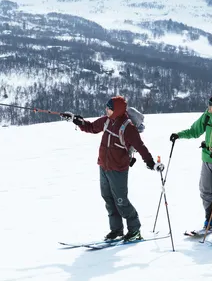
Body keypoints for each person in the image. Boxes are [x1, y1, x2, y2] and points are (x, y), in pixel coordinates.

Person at [64, 96, 161, 242]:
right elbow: (91, 127)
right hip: (103, 166)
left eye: (109, 108)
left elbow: (141, 147)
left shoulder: (128, 128)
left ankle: (134, 230)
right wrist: (77, 121)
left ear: (117, 110)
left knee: (121, 201)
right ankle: (116, 230)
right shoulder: (107, 121)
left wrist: (151, 163)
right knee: (108, 199)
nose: (106, 110)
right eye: (107, 107)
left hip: (118, 169)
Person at [170, 93, 212, 230]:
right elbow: (194, 131)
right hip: (206, 157)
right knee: (204, 189)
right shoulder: (207, 116)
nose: (208, 106)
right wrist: (179, 135)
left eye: (210, 103)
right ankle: (209, 217)